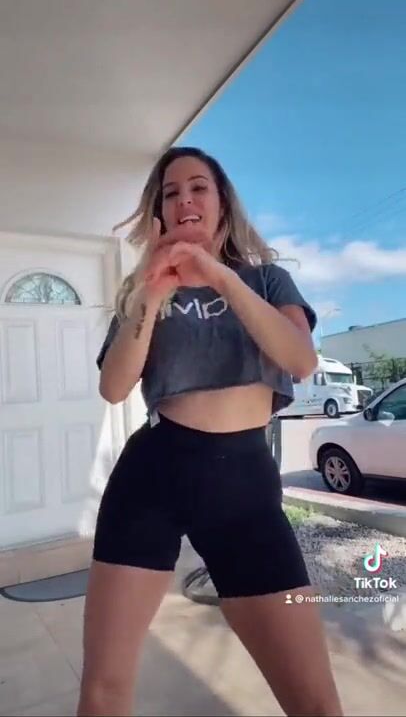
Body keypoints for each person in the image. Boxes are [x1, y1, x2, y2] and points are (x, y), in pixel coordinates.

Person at [77, 146, 343, 717]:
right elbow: (114, 388)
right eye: (170, 193)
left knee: (315, 703)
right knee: (103, 687)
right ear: (160, 213)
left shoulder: (267, 279)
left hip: (244, 488)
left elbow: (299, 360)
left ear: (222, 203)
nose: (184, 200)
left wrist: (218, 275)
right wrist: (152, 292)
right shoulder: (145, 289)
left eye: (198, 187)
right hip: (153, 475)